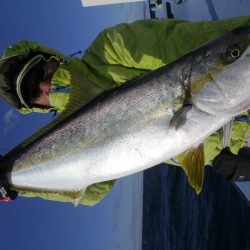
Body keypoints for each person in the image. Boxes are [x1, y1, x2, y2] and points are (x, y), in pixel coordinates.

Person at [1, 16, 250, 205]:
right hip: (237, 155)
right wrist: (12, 184)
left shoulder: (110, 49)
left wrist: (238, 44)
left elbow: (197, 43)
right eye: (34, 92)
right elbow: (93, 190)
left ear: (49, 57)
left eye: (39, 73)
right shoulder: (57, 138)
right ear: (35, 107)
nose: (45, 85)